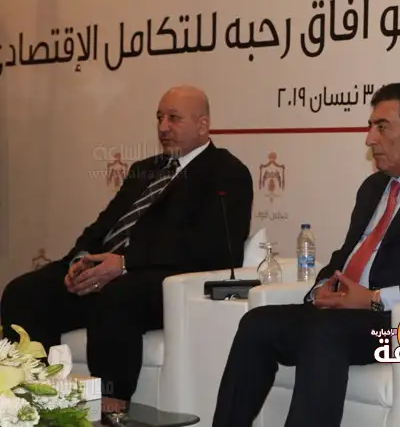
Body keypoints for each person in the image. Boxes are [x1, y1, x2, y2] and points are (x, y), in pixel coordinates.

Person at [211, 80, 400, 427]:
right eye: (370, 126)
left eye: (382, 127)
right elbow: (348, 255)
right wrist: (323, 288)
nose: (369, 139)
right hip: (347, 317)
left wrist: (374, 299)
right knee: (258, 323)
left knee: (325, 332)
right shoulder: (374, 187)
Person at [0, 85, 254, 413]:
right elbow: (104, 226)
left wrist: (123, 264)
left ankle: (112, 405)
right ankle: (37, 397)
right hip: (109, 274)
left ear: (203, 124)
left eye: (174, 118)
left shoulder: (227, 173)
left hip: (162, 282)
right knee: (24, 292)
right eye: (160, 118)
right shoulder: (145, 170)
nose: (163, 127)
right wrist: (81, 260)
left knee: (117, 295)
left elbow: (214, 248)